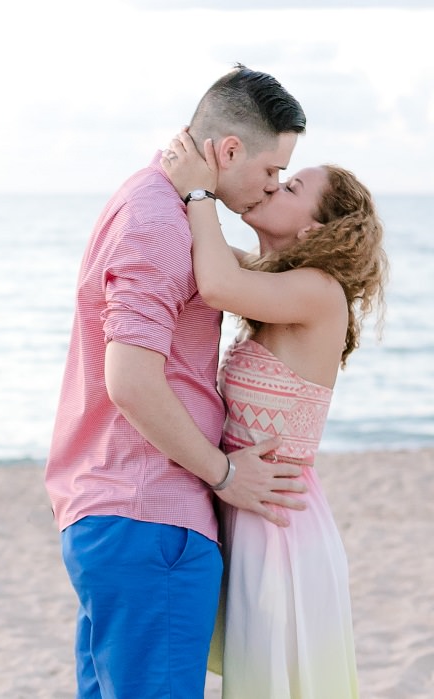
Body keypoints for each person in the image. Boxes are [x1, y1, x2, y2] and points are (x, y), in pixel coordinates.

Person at [44, 65, 311, 699]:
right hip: (148, 518)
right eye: (272, 171)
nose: (271, 187)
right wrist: (224, 475)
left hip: (115, 515)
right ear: (228, 150)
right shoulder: (163, 222)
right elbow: (130, 379)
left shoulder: (150, 198)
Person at [159, 128, 387, 698]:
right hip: (253, 504)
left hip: (279, 524)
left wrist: (198, 193)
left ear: (314, 229)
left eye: (291, 187)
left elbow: (215, 282)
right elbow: (212, 261)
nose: (272, 188)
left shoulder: (318, 291)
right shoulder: (275, 284)